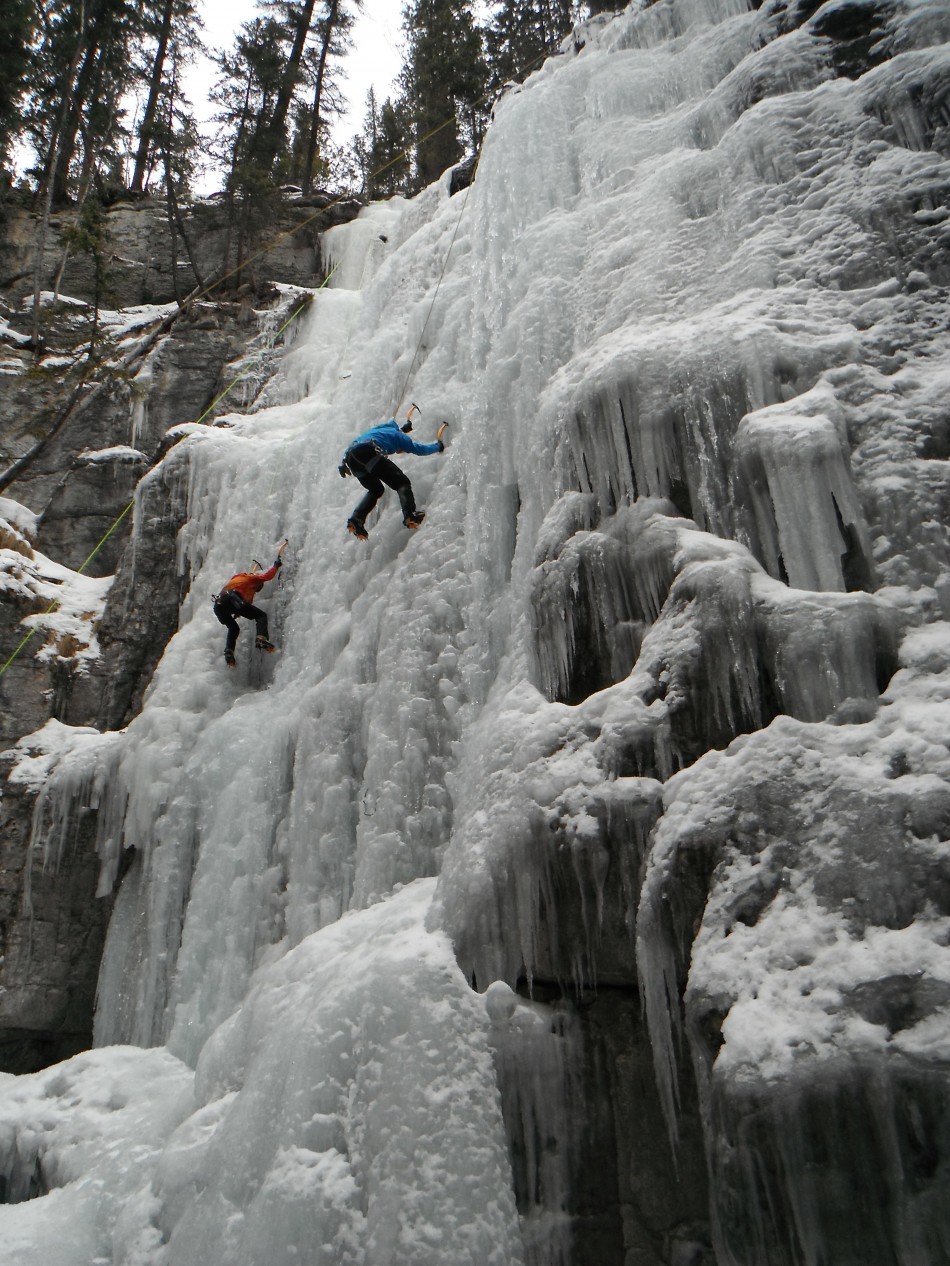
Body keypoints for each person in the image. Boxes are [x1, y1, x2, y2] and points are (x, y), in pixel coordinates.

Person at [339, 409, 447, 540]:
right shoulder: (401, 438)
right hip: (368, 452)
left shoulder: (380, 430)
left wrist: (343, 463)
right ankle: (409, 515)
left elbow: (388, 435)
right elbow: (419, 449)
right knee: (402, 483)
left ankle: (356, 519)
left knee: (376, 490)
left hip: (350, 459)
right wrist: (438, 446)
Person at [213, 541, 287, 667]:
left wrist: (237, 611)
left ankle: (229, 652)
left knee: (234, 628)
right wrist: (276, 565)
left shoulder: (237, 580)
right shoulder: (251, 578)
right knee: (261, 616)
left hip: (219, 605)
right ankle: (261, 639)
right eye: (257, 588)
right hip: (233, 599)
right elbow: (267, 576)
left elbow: (242, 605)